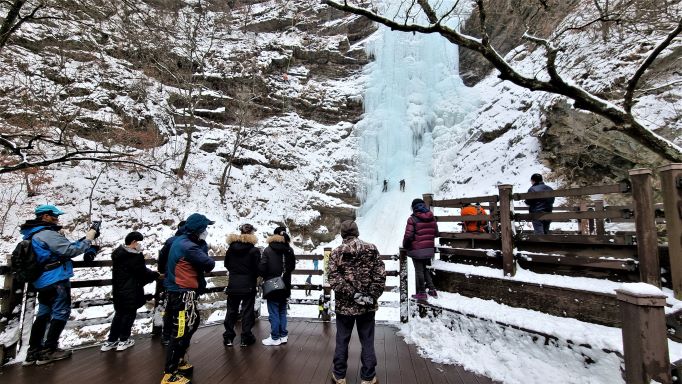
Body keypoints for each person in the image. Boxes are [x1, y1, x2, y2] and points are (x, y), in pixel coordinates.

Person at [21, 204, 99, 366]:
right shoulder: (47, 234)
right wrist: (89, 238)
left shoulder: (32, 234)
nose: (57, 218)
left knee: (43, 314)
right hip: (56, 279)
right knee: (61, 312)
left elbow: (62, 249)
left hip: (41, 281)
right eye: (54, 215)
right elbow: (70, 251)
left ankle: (33, 351)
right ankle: (49, 350)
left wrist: (84, 240)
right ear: (45, 216)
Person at [328, 220, 385, 384]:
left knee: (342, 340)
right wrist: (371, 296)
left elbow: (334, 278)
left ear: (342, 234)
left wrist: (353, 294)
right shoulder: (371, 249)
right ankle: (368, 377)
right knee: (367, 340)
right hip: (366, 307)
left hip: (344, 307)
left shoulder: (337, 252)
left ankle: (339, 376)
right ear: (357, 232)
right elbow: (380, 275)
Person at [161, 213, 216, 384]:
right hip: (183, 294)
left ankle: (178, 360)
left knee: (191, 324)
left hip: (177, 291)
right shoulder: (189, 247)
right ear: (198, 230)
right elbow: (209, 263)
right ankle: (169, 373)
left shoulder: (178, 240)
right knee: (180, 330)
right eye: (205, 229)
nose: (206, 232)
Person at [101, 232, 159, 352]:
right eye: (138, 243)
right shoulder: (133, 257)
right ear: (133, 242)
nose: (139, 245)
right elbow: (142, 272)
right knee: (129, 314)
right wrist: (155, 275)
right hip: (131, 290)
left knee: (119, 314)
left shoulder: (118, 254)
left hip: (118, 290)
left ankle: (111, 341)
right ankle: (123, 340)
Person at [222, 223, 260, 347]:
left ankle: (228, 337)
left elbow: (226, 264)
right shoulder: (254, 250)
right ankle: (245, 337)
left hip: (233, 283)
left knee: (231, 310)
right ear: (251, 233)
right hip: (248, 284)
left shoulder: (231, 248)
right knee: (247, 311)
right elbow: (257, 268)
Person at [259, 226, 296, 346]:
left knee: (274, 311)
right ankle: (283, 335)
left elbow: (262, 268)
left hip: (272, 284)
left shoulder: (268, 250)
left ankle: (275, 337)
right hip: (285, 284)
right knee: (282, 310)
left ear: (274, 235)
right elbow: (292, 268)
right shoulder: (289, 250)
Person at [402, 198, 439, 300]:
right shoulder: (431, 217)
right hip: (428, 249)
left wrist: (405, 245)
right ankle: (432, 290)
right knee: (425, 269)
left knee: (419, 271)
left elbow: (408, 236)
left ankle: (422, 292)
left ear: (413, 208)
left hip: (417, 249)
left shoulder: (412, 219)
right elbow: (436, 233)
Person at [157, 220, 185, 346]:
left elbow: (162, 258)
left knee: (169, 309)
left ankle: (166, 336)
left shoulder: (170, 241)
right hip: (184, 281)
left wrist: (163, 271)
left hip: (170, 280)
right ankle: (180, 336)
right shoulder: (189, 242)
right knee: (182, 311)